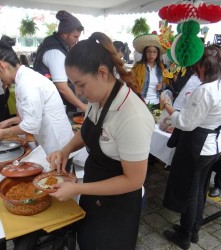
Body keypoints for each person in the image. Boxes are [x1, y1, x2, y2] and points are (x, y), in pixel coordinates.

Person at [47, 32, 155, 250]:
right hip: (92, 188)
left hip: (118, 204)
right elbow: (88, 131)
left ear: (103, 73)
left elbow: (133, 180)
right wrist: (66, 149)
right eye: (73, 85)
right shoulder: (99, 98)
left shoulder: (132, 115)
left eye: (81, 85)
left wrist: (77, 189)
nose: (78, 92)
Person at [160, 45, 221, 249]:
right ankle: (194, 230)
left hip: (198, 145)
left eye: (197, 67)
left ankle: (185, 235)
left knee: (190, 192)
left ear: (204, 66)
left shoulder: (206, 90)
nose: (195, 71)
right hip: (211, 146)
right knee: (199, 190)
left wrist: (168, 107)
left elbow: (186, 123)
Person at [0, 35, 74, 155]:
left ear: (2, 65)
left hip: (58, 145)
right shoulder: (23, 78)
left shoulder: (28, 83)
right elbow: (35, 113)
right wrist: (10, 121)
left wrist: (3, 132)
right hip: (50, 142)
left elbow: (31, 124)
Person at [33, 10, 87, 114]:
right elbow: (62, 88)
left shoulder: (52, 42)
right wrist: (83, 106)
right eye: (75, 37)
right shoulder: (56, 52)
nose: (77, 40)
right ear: (64, 34)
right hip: (51, 105)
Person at [131, 34, 168, 110]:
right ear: (145, 53)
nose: (151, 55)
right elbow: (131, 83)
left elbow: (166, 83)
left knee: (154, 121)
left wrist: (162, 86)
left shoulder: (161, 68)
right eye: (149, 52)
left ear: (158, 54)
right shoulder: (137, 67)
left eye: (155, 52)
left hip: (157, 103)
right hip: (140, 102)